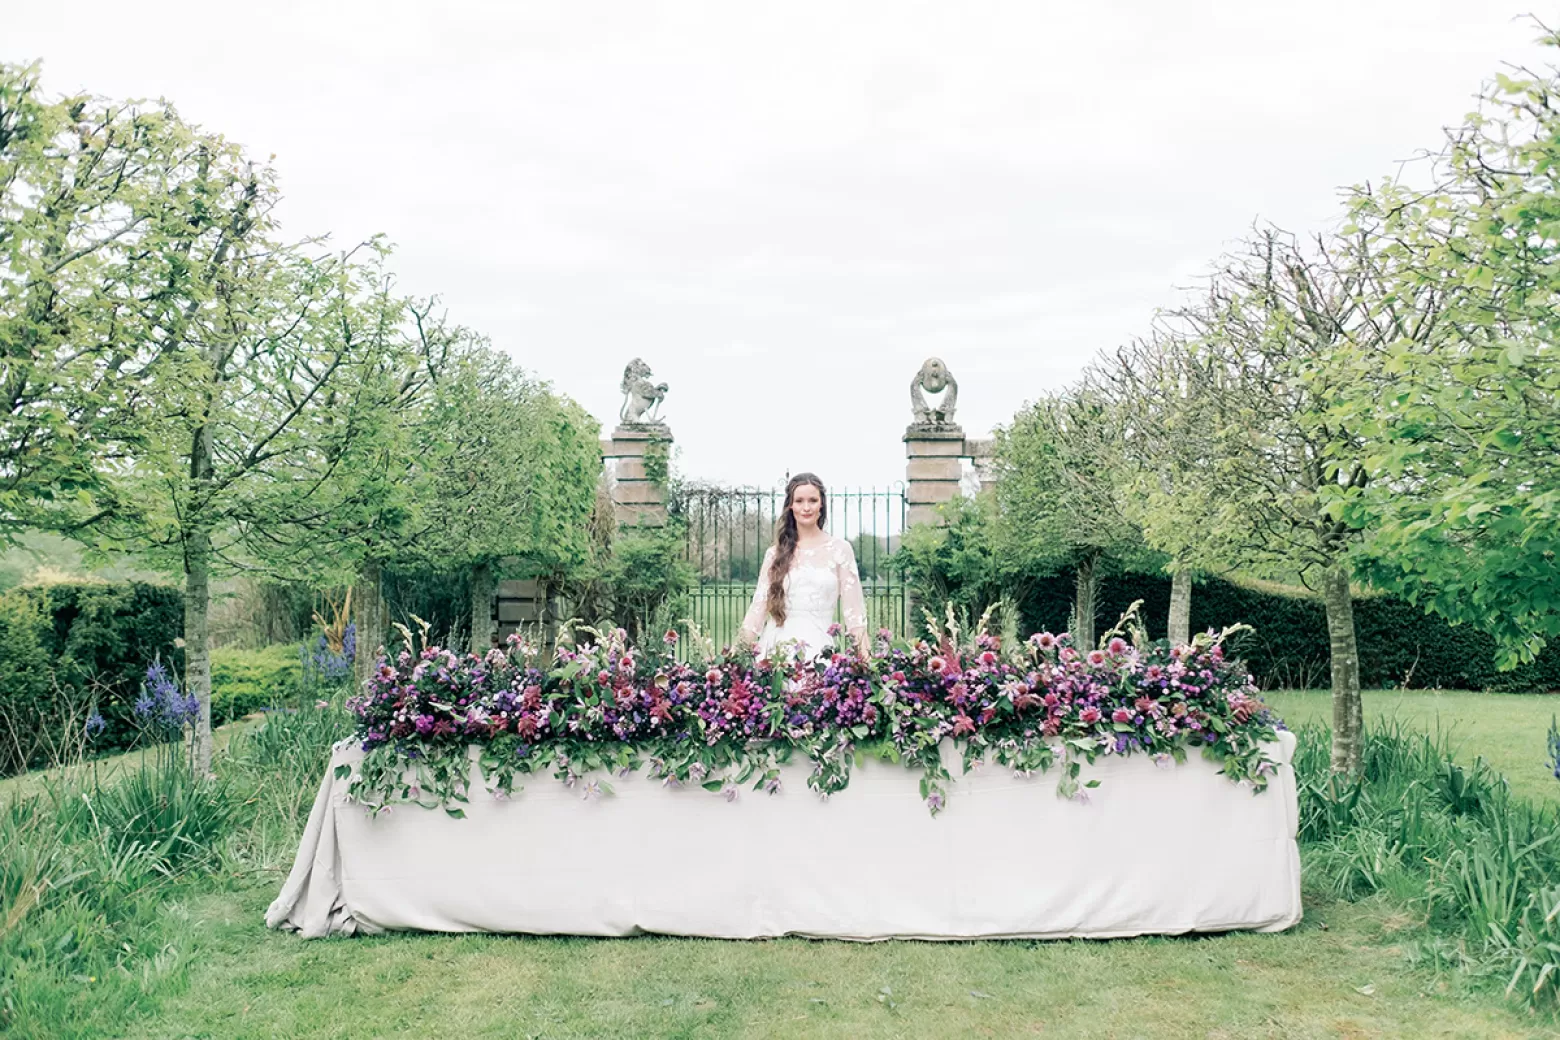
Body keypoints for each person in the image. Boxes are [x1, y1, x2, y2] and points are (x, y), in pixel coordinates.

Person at [738, 473, 870, 659]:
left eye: (812, 500)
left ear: (821, 504)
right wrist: (733, 659)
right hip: (776, 653)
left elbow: (854, 615)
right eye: (799, 501)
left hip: (820, 652)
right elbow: (756, 612)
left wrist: (867, 663)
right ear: (791, 505)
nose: (806, 508)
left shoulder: (840, 550)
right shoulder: (775, 554)